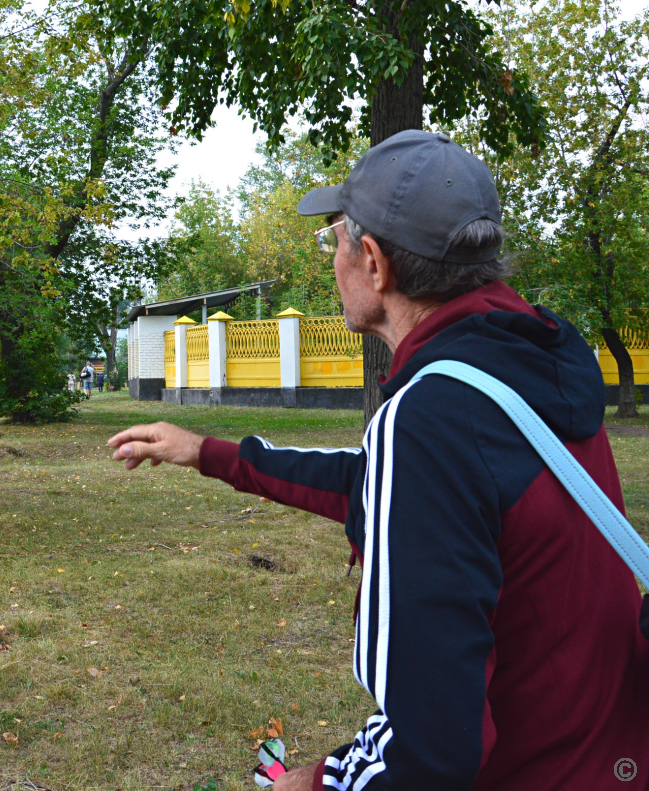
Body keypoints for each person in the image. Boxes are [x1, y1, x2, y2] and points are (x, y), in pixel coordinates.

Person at [108, 130, 648, 790]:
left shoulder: (430, 415)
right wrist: (205, 452)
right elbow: (384, 489)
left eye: (334, 238)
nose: (330, 257)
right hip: (613, 752)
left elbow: (430, 750)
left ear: (372, 262)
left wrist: (314, 780)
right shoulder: (525, 364)